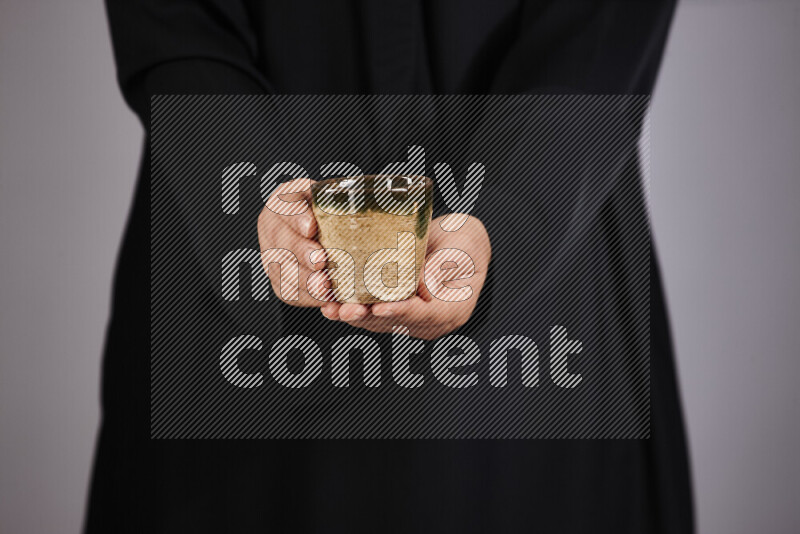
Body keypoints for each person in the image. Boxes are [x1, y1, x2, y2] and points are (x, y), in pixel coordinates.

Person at [87, 1, 693, 532]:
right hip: (227, 269)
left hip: (545, 271)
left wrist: (508, 219)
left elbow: (603, 24)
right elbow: (173, 22)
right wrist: (252, 201)